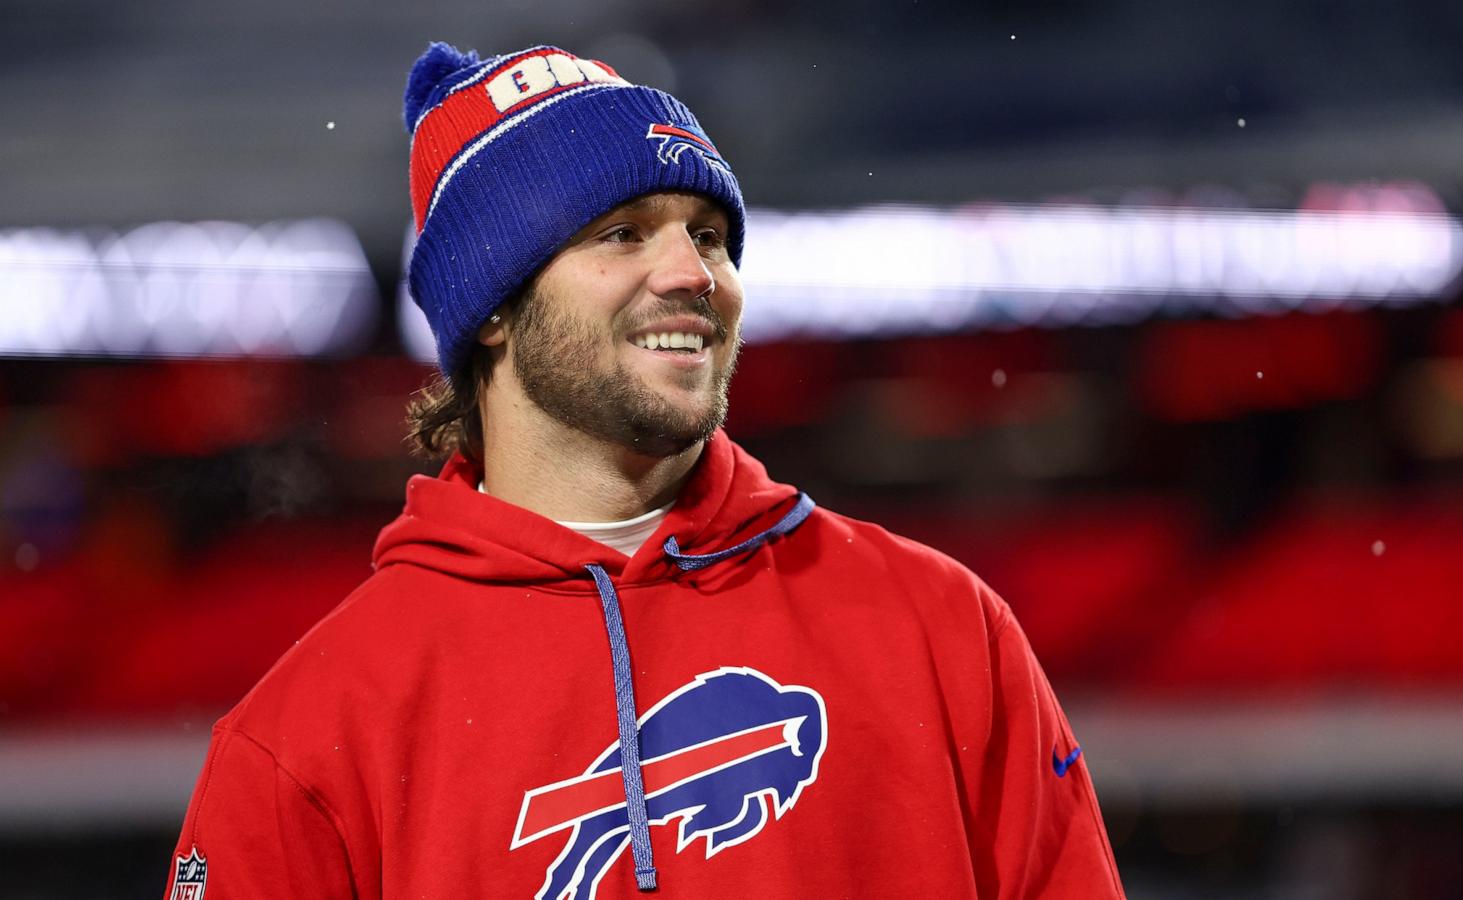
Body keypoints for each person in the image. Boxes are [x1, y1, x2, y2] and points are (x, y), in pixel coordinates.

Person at [163, 41, 1125, 900]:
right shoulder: (304, 739)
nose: (694, 273)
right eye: (624, 232)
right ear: (493, 305)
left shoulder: (945, 629)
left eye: (708, 235)